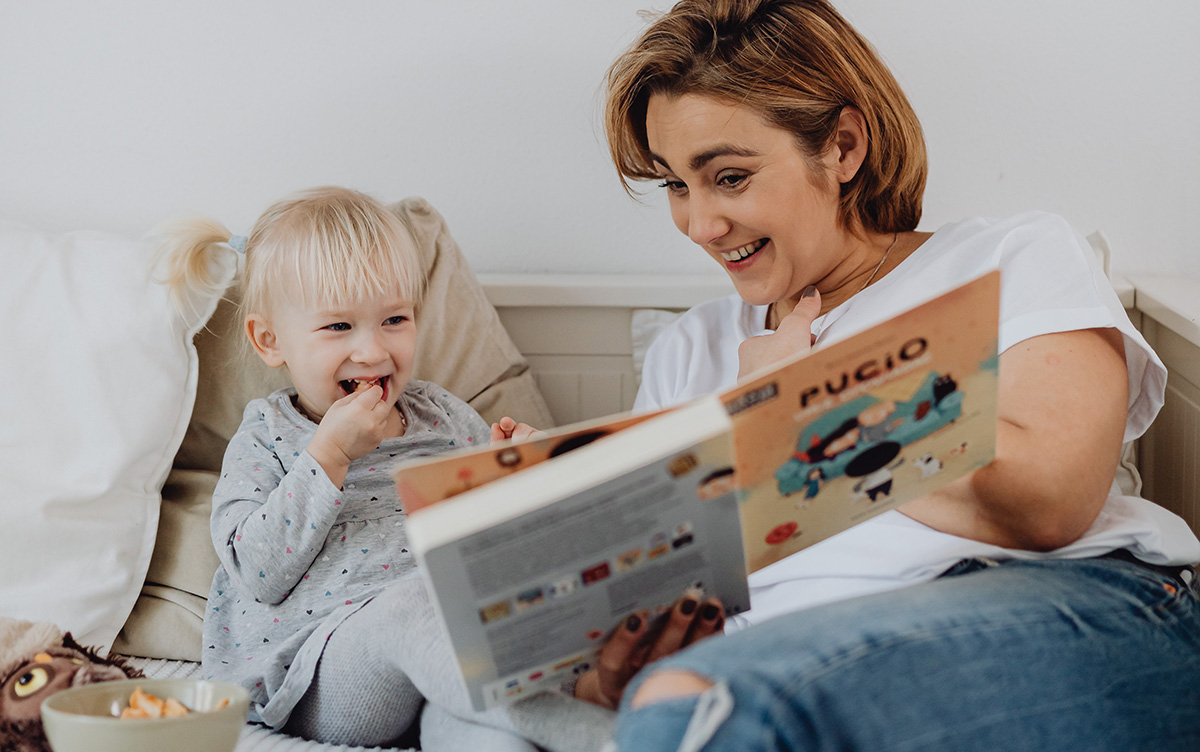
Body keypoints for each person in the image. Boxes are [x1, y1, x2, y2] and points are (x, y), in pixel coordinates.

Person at [583, 1, 1200, 749]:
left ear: (842, 146)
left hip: (1063, 600)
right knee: (670, 698)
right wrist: (610, 671)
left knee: (703, 710)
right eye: (677, 185)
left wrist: (794, 402)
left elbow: (1049, 500)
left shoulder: (1010, 257)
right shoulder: (689, 350)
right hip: (788, 655)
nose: (701, 224)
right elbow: (670, 593)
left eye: (730, 177)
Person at [159, 186, 613, 752]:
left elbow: (495, 542)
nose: (373, 351)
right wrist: (328, 457)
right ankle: (613, 740)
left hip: (448, 671)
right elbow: (257, 570)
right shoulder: (268, 437)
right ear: (270, 341)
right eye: (338, 327)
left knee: (481, 729)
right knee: (415, 604)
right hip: (320, 675)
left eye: (394, 319)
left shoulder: (442, 415)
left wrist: (517, 477)